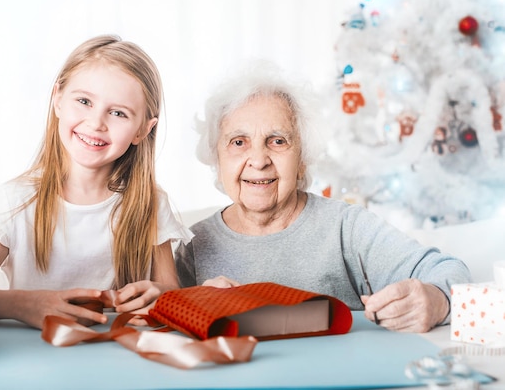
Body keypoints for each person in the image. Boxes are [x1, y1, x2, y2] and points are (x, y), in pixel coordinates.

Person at [175, 60, 472, 333]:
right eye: (238, 142)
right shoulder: (195, 244)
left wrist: (436, 300)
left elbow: (450, 271)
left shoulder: (346, 227)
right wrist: (195, 302)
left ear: (302, 157)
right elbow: (162, 320)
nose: (258, 159)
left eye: (277, 141)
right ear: (217, 158)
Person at [0, 35, 192, 330]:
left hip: (122, 357)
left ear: (143, 129)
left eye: (118, 113)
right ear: (57, 100)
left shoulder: (150, 204)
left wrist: (163, 296)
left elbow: (172, 293)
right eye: (84, 101)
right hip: (35, 358)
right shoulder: (16, 200)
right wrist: (23, 304)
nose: (96, 123)